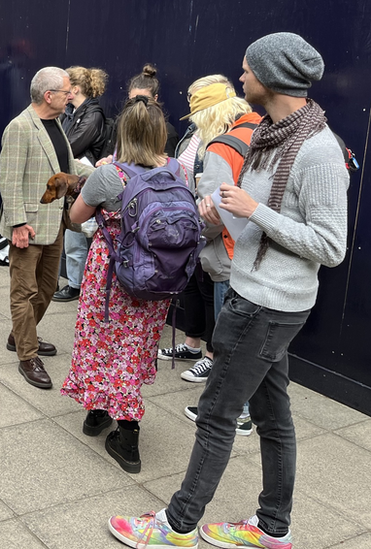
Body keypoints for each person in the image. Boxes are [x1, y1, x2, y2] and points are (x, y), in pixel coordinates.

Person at [110, 33, 349, 549]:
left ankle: (176, 526)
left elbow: (331, 247)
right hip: (257, 294)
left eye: (247, 70)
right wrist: (222, 215)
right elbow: (263, 224)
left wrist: (250, 211)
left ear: (273, 77)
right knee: (271, 416)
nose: (240, 79)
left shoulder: (317, 150)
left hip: (266, 304)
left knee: (217, 413)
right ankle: (272, 529)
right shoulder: (272, 135)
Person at [61, 96, 183, 474]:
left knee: (100, 340)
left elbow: (75, 216)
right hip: (158, 275)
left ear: (122, 134)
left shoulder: (109, 175)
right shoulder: (176, 170)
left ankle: (119, 430)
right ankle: (110, 416)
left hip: (112, 272)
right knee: (133, 347)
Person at [0, 67, 94, 390]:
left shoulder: (54, 124)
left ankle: (19, 334)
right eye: (67, 91)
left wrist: (95, 171)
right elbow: (8, 180)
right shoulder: (20, 128)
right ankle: (27, 354)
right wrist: (17, 223)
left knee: (48, 288)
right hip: (29, 226)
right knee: (24, 292)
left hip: (54, 223)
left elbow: (64, 167)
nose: (72, 96)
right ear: (49, 96)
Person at [180, 82, 262, 437]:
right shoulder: (261, 128)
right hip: (265, 250)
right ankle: (250, 409)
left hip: (230, 254)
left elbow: (213, 214)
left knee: (228, 341)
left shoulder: (221, 146)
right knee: (255, 341)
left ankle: (230, 413)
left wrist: (191, 240)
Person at [157, 76, 236, 367]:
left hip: (208, 226)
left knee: (209, 288)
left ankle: (211, 354)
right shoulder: (196, 130)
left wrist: (200, 229)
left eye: (195, 101)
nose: (191, 108)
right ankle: (191, 343)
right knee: (190, 284)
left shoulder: (224, 136)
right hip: (188, 216)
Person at [54, 66, 108, 304]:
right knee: (72, 235)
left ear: (74, 89)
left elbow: (68, 147)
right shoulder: (71, 112)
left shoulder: (93, 115)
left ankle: (77, 284)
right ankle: (75, 281)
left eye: (65, 88)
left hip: (85, 181)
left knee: (77, 235)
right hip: (75, 182)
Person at [100, 64, 180, 159]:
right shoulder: (121, 122)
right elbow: (110, 151)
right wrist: (107, 160)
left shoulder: (167, 131)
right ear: (128, 96)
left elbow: (167, 163)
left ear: (155, 98)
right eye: (133, 100)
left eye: (144, 100)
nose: (137, 104)